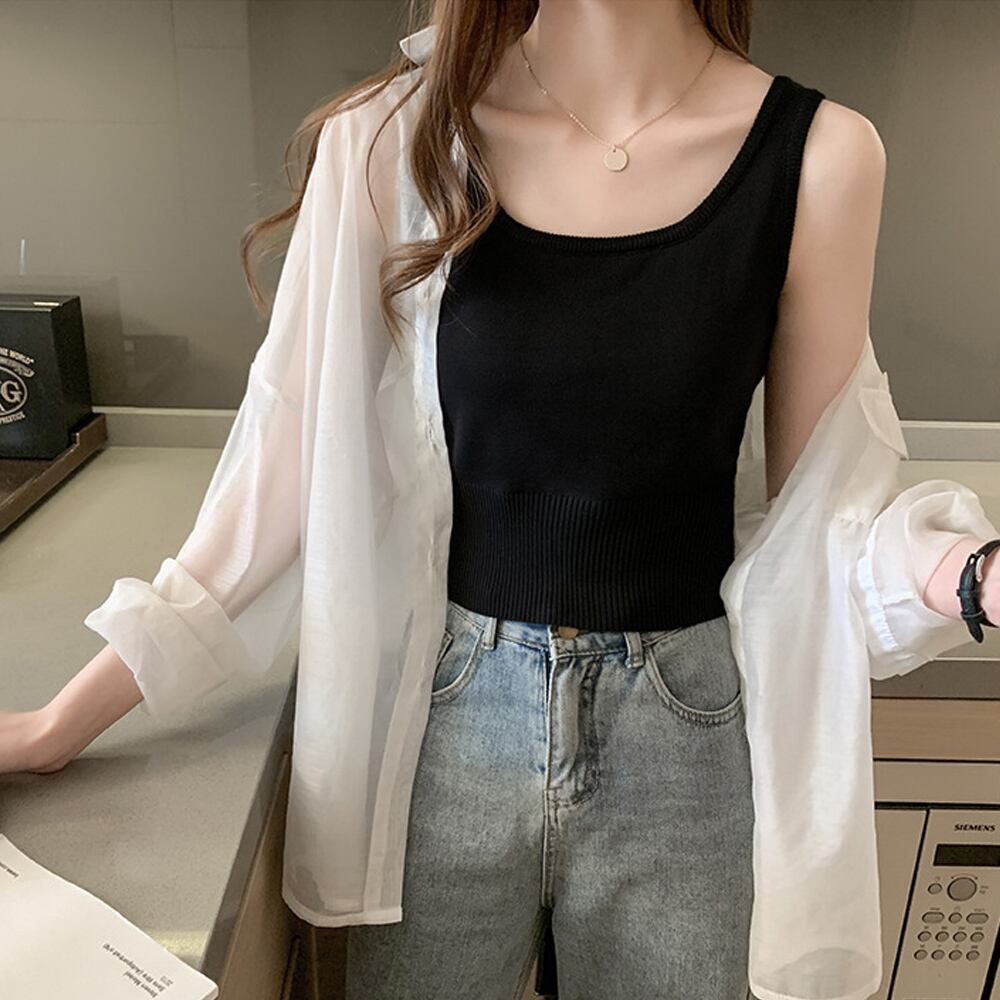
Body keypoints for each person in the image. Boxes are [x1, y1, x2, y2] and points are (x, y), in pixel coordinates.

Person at [3, 3, 997, 999]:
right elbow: (279, 473)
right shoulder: (392, 141)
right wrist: (60, 725)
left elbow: (823, 515)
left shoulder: (822, 155)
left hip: (687, 730)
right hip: (445, 721)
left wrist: (967, 572)